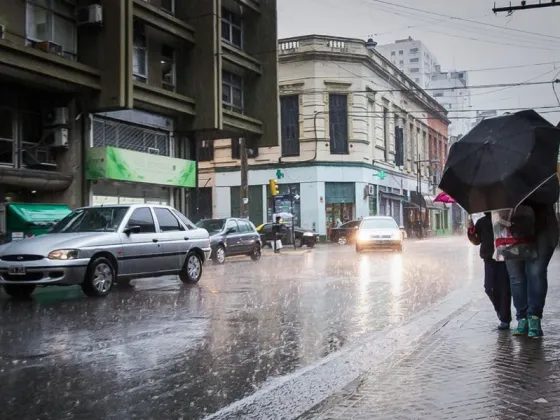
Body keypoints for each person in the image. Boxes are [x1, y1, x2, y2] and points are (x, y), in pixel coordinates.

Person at [505, 180, 559, 338]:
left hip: (542, 227)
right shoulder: (500, 171)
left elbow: (552, 194)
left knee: (535, 272)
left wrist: (524, 190)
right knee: (516, 277)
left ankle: (534, 317)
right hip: (511, 228)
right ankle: (522, 318)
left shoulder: (541, 167)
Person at [468, 213, 512, 330]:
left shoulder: (504, 218)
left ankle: (504, 318)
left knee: (504, 289)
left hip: (504, 258)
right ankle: (501, 311)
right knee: (489, 288)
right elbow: (476, 241)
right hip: (489, 259)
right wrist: (471, 230)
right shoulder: (482, 222)